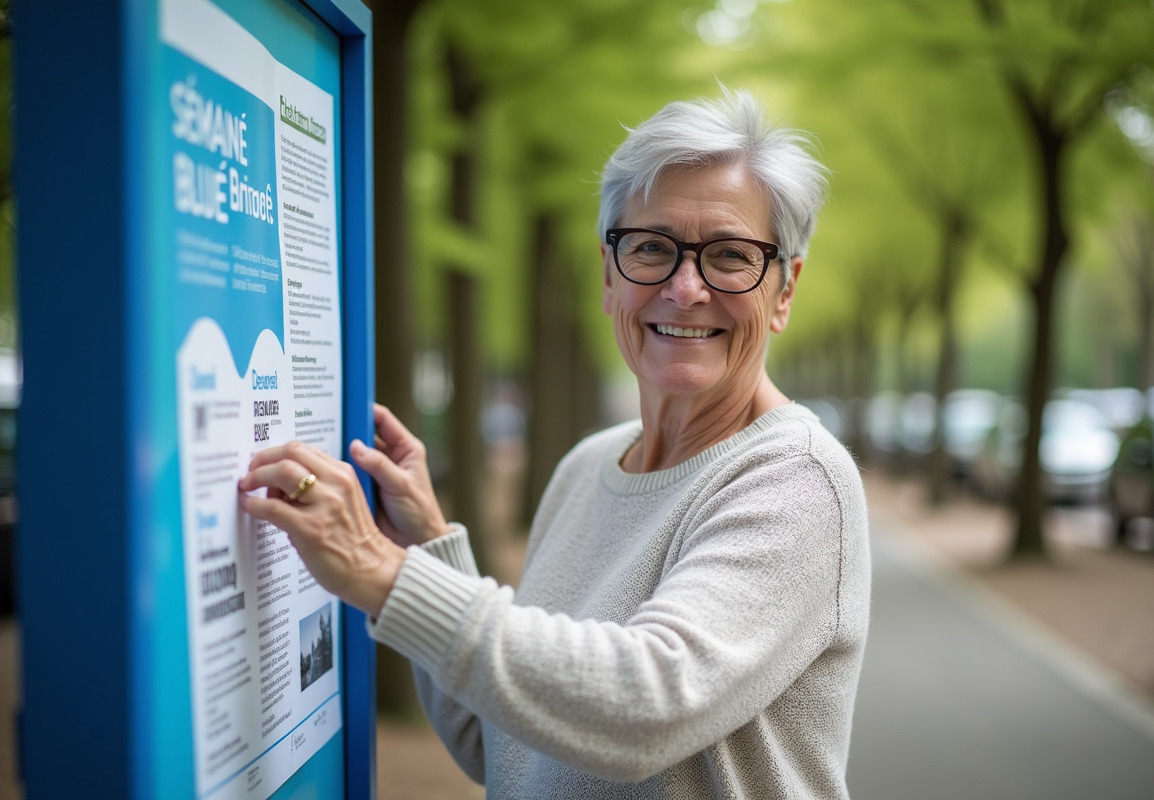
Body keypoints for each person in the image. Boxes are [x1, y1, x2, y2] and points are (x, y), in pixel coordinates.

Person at [240, 89, 870, 799]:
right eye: (652, 248)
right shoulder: (584, 468)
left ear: (784, 290)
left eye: (729, 256)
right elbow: (505, 745)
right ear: (609, 276)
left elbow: (642, 711)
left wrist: (382, 572)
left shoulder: (796, 480)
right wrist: (425, 550)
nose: (686, 288)